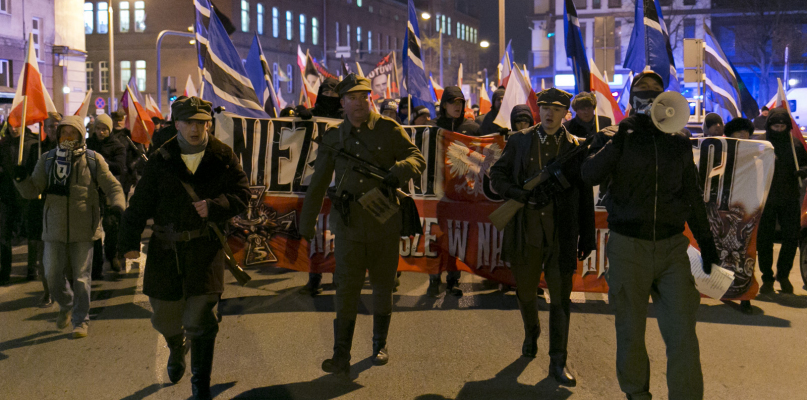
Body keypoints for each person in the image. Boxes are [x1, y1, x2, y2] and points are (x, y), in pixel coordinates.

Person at [581, 71, 720, 400]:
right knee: (630, 331)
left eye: (655, 92)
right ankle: (636, 393)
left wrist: (708, 245)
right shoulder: (615, 136)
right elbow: (588, 174)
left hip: (673, 250)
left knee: (683, 334)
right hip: (629, 247)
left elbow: (691, 197)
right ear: (631, 100)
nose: (648, 98)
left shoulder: (678, 141)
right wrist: (619, 141)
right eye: (642, 93)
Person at [118, 97, 250, 399]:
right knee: (164, 316)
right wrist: (128, 243)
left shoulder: (223, 156)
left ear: (209, 124)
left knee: (201, 319)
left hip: (205, 249)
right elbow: (139, 205)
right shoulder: (161, 159)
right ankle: (176, 345)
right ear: (177, 124)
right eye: (189, 122)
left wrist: (218, 206)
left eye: (201, 122)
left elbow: (242, 193)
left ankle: (200, 387)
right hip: (166, 250)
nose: (195, 128)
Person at [299, 74, 425, 376]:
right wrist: (305, 225)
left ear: (371, 99)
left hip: (384, 221)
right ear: (342, 103)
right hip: (348, 224)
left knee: (383, 285)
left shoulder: (388, 129)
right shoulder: (333, 137)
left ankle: (379, 344)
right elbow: (317, 184)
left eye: (363, 96)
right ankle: (340, 354)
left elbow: (416, 157)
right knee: (346, 288)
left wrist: (400, 170)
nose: (358, 102)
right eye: (352, 98)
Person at [490, 88, 595, 387]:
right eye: (545, 107)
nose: (549, 113)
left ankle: (558, 361)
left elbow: (584, 194)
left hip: (561, 235)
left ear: (566, 114)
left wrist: (586, 236)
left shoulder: (577, 146)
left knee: (561, 300)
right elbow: (497, 175)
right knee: (525, 294)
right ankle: (531, 331)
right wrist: (519, 194)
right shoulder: (520, 141)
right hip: (526, 232)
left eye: (556, 109)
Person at [13, 116, 125, 338]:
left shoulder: (93, 159)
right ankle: (66, 303)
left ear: (80, 135)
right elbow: (31, 190)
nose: (66, 137)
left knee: (82, 277)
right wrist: (21, 179)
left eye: (71, 133)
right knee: (52, 274)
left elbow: (112, 186)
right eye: (63, 133)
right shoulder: (47, 159)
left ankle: (80, 320)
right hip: (53, 228)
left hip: (84, 228)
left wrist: (118, 205)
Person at [298, 78, 343, 297]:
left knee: (337, 232)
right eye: (326, 94)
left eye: (334, 95)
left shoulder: (347, 119)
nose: (329, 98)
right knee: (316, 235)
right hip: (313, 182)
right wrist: (299, 118)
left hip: (339, 184)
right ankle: (314, 277)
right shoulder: (311, 115)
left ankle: (337, 275)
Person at [756, 108, 807, 295]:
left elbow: (805, 163)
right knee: (765, 240)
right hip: (766, 198)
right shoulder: (761, 144)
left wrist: (802, 170)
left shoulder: (794, 145)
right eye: (775, 126)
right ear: (769, 126)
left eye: (782, 126)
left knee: (790, 238)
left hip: (789, 197)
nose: (779, 130)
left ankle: (783, 275)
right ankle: (767, 278)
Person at [86, 114, 127, 279]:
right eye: (98, 129)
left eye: (104, 129)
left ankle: (112, 255)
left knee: (111, 227)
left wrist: (100, 161)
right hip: (92, 191)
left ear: (109, 130)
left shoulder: (117, 146)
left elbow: (119, 167)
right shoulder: (88, 144)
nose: (101, 132)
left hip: (108, 190)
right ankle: (96, 265)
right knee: (94, 229)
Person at [0, 125, 39, 285]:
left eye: (17, 126)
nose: (14, 129)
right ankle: (4, 271)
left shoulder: (32, 144)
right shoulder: (3, 144)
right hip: (7, 195)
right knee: (4, 234)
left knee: (31, 233)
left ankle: (31, 269)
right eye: (11, 126)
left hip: (26, 194)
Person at [111, 110, 146, 200]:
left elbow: (140, 153)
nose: (118, 123)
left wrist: (131, 166)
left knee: (123, 198)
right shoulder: (109, 135)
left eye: (120, 120)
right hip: (111, 171)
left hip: (126, 174)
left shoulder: (130, 135)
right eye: (116, 120)